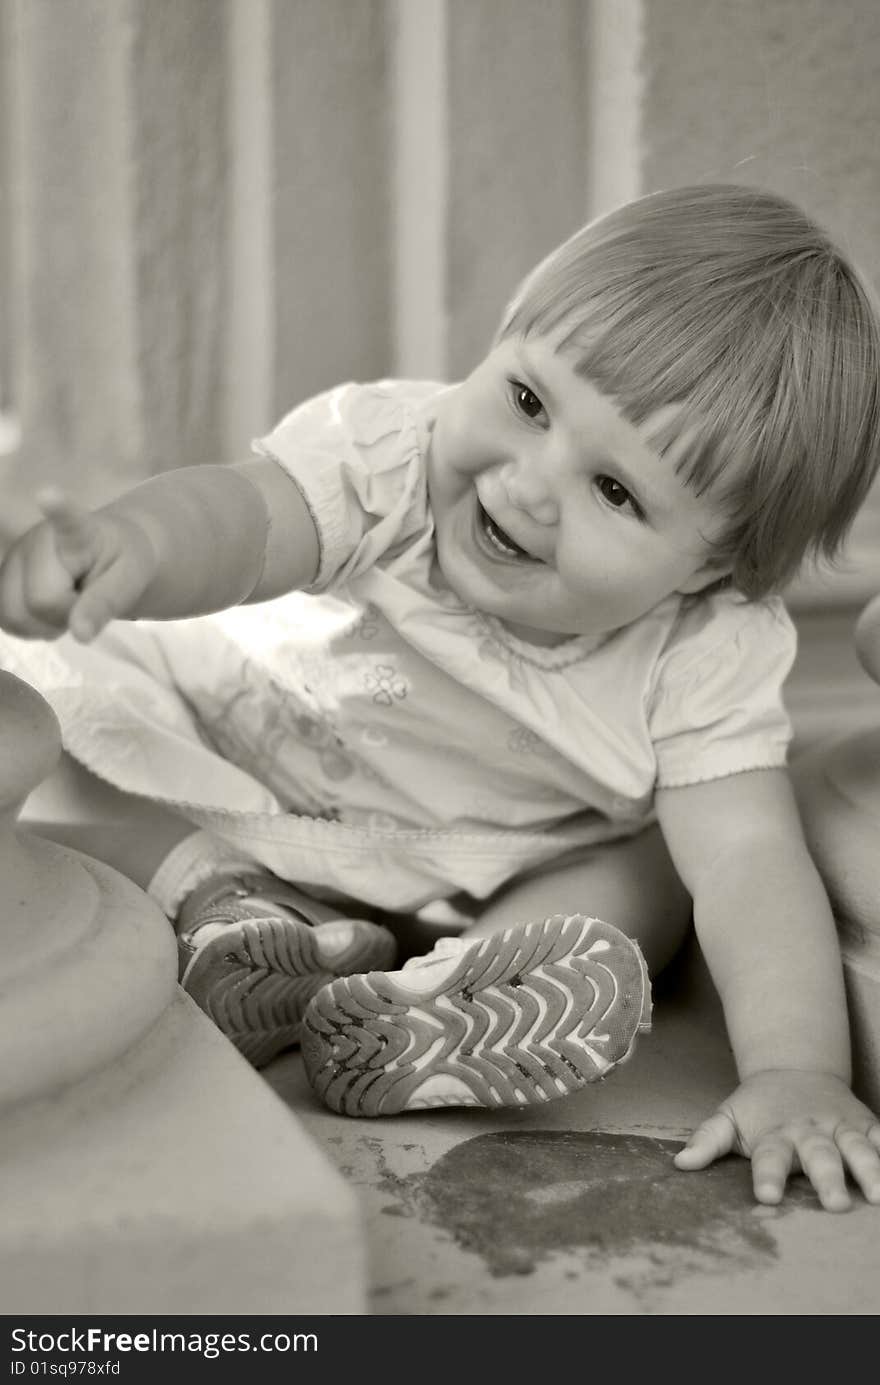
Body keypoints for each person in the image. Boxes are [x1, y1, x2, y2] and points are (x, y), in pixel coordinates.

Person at [2, 183, 880, 1213]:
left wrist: (799, 1070)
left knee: (655, 867)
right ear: (501, 337)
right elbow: (241, 519)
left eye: (615, 491)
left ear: (714, 571)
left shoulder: (701, 649)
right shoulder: (389, 456)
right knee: (72, 734)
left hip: (483, 858)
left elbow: (750, 864)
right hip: (234, 761)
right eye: (528, 401)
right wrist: (130, 547)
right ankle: (223, 904)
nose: (526, 483)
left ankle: (448, 1002)